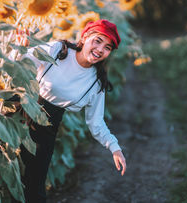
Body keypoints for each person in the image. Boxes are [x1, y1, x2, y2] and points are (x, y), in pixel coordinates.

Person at [20, 19, 127, 203]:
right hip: (19, 108)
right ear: (85, 37)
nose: (101, 49)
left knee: (33, 186)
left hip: (46, 126)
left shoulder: (96, 83)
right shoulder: (58, 50)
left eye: (107, 47)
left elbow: (96, 123)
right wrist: (20, 47)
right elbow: (21, 62)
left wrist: (114, 147)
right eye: (98, 40)